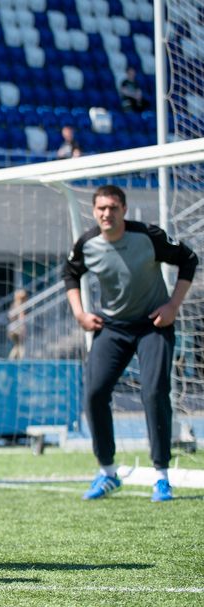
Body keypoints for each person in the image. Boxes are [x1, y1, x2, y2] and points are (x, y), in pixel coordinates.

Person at [63, 185, 198, 502]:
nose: (106, 213)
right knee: (95, 392)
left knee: (153, 392)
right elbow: (70, 273)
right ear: (94, 211)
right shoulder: (87, 244)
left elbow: (188, 259)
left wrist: (172, 307)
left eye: (112, 207)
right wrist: (80, 314)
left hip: (153, 324)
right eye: (101, 208)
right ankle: (108, 473)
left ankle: (162, 477)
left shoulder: (148, 236)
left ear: (124, 209)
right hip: (113, 327)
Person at [7, 288, 28, 360]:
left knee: (17, 345)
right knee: (20, 345)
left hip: (11, 329)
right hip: (17, 329)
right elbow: (21, 318)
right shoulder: (20, 306)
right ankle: (20, 359)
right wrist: (23, 328)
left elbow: (10, 316)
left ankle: (12, 358)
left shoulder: (13, 305)